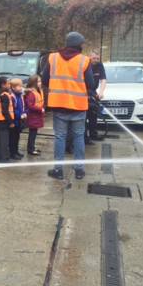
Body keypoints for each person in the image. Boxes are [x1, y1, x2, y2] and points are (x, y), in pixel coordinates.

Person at [42, 32, 98, 180]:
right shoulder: (84, 61)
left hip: (59, 104)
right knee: (79, 136)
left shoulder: (53, 58)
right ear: (79, 45)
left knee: (60, 137)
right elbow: (91, 84)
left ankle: (58, 170)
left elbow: (45, 79)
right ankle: (79, 170)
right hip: (78, 105)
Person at [87, 49, 107, 143]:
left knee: (93, 114)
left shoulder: (100, 65)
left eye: (97, 58)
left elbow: (103, 79)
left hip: (93, 91)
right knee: (84, 115)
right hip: (84, 92)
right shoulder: (86, 64)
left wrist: (101, 92)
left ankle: (93, 134)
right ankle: (84, 137)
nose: (96, 60)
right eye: (94, 58)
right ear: (89, 57)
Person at [0, 76, 14, 163]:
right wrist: (11, 122)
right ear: (3, 85)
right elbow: (5, 111)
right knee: (4, 140)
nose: (9, 85)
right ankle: (4, 158)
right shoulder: (5, 96)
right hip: (4, 121)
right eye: (8, 83)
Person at [24, 75, 45, 156]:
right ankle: (31, 149)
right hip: (33, 116)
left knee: (34, 133)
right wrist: (40, 109)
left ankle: (32, 147)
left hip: (36, 116)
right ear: (34, 83)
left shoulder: (37, 91)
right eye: (38, 81)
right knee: (32, 133)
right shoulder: (32, 93)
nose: (40, 83)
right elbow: (30, 105)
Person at [9, 78, 26, 160]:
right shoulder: (12, 97)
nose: (21, 88)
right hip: (14, 121)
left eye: (21, 86)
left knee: (17, 137)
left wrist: (24, 113)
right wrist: (20, 115)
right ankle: (12, 153)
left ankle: (16, 151)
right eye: (18, 86)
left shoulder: (20, 96)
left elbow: (23, 106)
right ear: (13, 87)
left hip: (19, 121)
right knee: (13, 138)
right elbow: (13, 109)